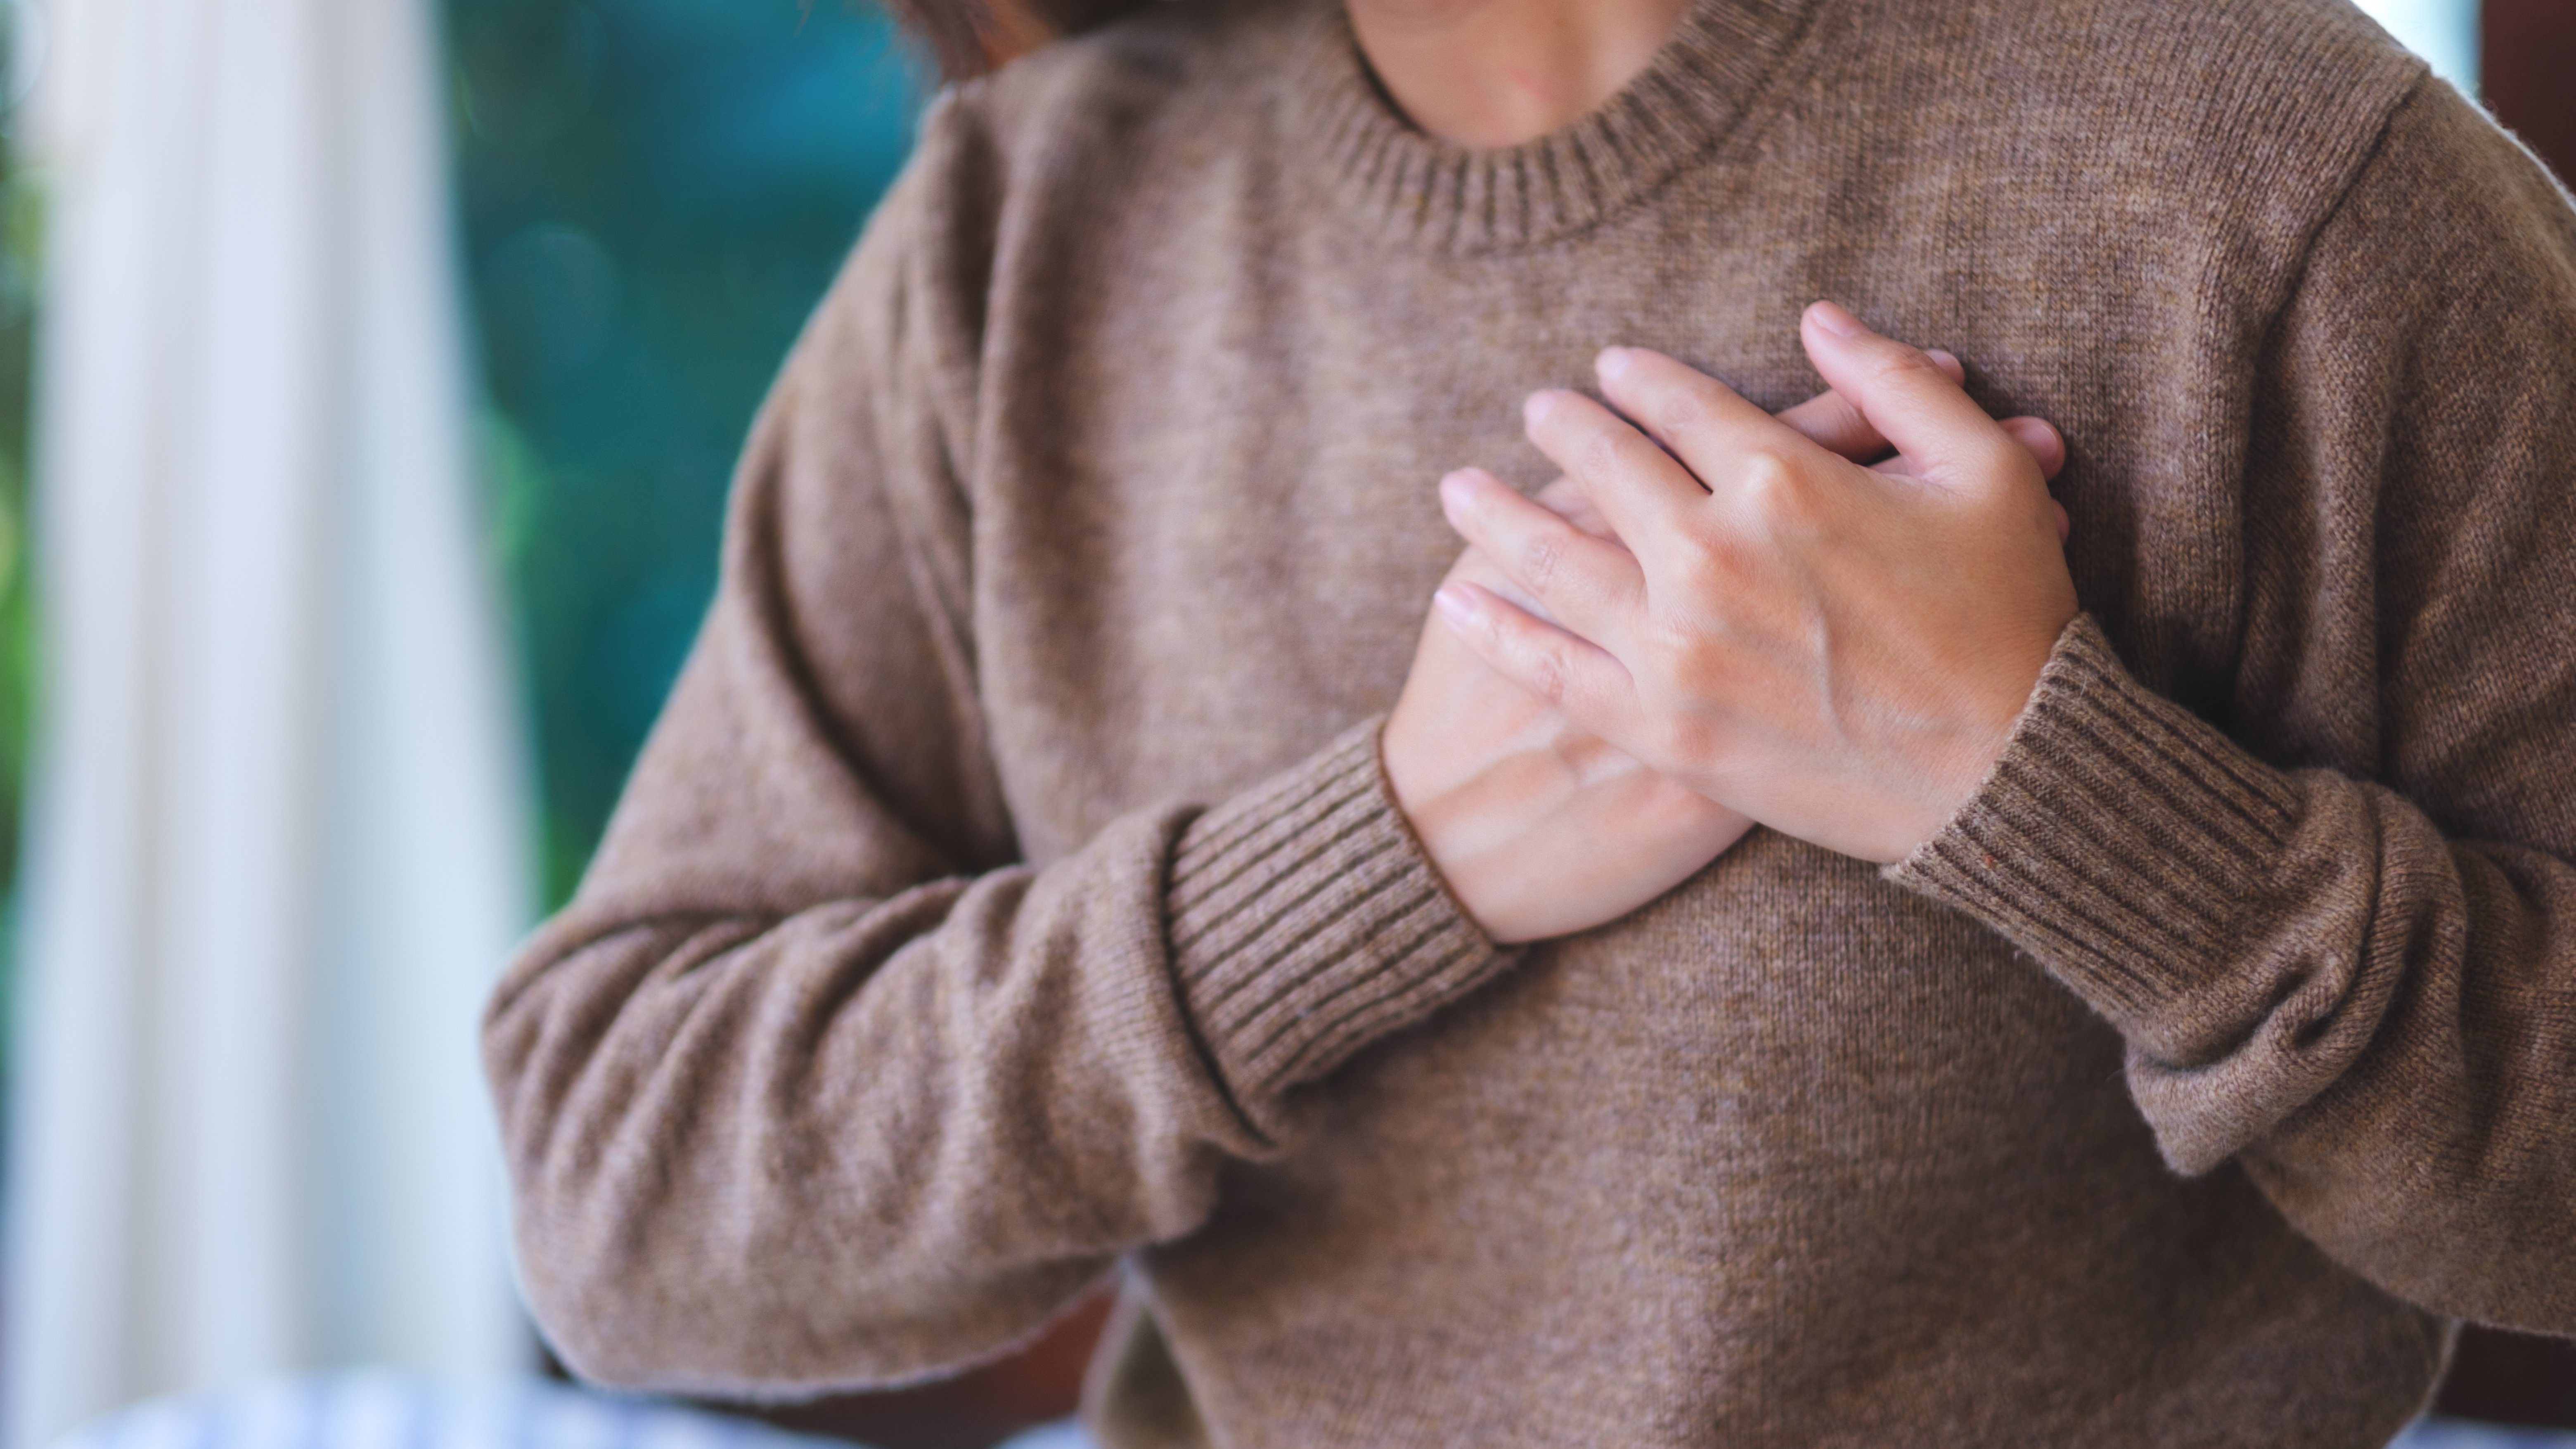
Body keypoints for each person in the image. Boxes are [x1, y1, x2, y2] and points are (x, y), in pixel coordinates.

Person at [481, 0, 2576, 1442]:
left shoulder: (2279, 181)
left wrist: (2052, 792)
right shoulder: (1018, 242)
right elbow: (620, 1190)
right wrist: (1374, 864)